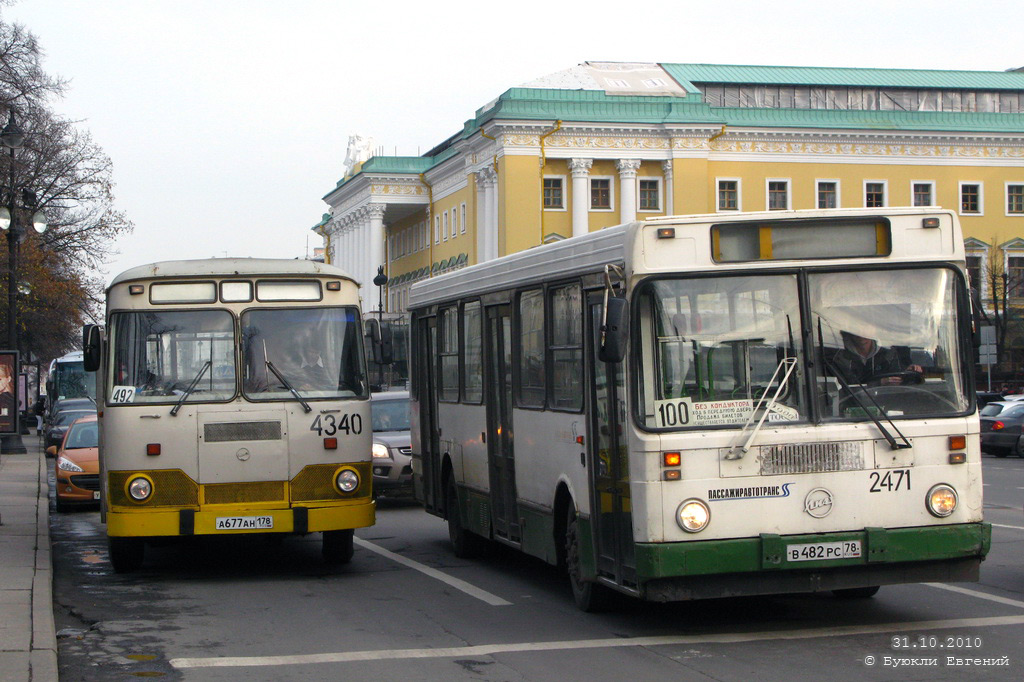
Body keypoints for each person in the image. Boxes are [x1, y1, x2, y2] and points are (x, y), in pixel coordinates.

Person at [832, 331, 923, 386]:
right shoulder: (841, 358)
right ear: (850, 333)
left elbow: (896, 375)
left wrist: (907, 372)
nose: (862, 334)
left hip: (888, 400)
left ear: (874, 331)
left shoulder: (888, 353)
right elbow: (849, 388)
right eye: (857, 331)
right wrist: (879, 383)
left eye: (866, 330)